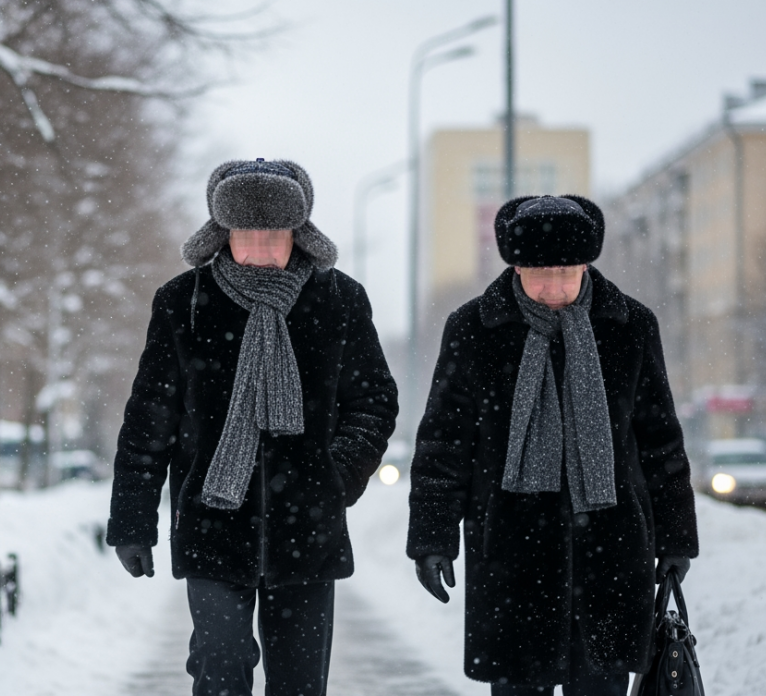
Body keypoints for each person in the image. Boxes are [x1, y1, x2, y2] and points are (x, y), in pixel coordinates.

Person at [107, 159, 398, 696]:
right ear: (222, 234)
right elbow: (150, 418)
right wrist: (132, 519)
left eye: (275, 237)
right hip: (212, 521)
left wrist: (334, 476)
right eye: (246, 237)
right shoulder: (182, 301)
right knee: (222, 663)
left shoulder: (339, 298)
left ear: (298, 235)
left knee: (300, 683)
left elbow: (374, 402)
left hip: (308, 527)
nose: (261, 251)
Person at [406, 195, 698, 695]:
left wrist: (676, 536)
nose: (554, 288)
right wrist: (432, 538)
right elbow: (443, 445)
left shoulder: (629, 327)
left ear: (587, 263)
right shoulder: (475, 329)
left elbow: (660, 440)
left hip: (610, 550)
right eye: (538, 272)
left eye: (566, 271)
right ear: (515, 265)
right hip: (511, 553)